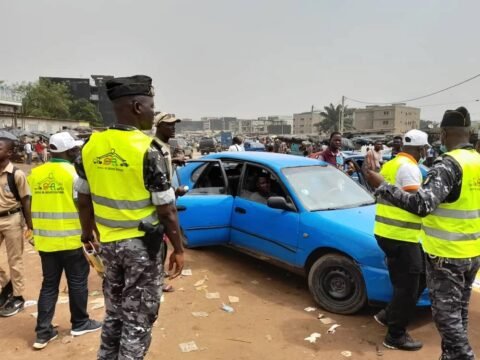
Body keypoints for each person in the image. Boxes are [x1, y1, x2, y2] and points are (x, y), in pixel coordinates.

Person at [75, 75, 185, 360]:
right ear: (137, 106)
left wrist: (87, 233)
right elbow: (166, 210)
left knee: (115, 312)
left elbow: (83, 199)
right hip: (141, 247)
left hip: (108, 245)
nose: (152, 112)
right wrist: (179, 249)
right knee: (138, 319)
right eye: (151, 106)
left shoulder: (91, 145)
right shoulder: (147, 150)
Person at [365, 106, 480, 360]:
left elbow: (422, 205)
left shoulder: (448, 165)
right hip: (472, 252)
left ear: (444, 132)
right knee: (459, 311)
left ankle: (462, 356)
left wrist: (384, 186)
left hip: (446, 254)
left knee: (446, 317)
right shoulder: (477, 162)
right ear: (468, 132)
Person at [28, 132, 101, 349]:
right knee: (77, 282)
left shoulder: (36, 173)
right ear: (69, 151)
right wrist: (93, 235)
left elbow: (32, 205)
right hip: (71, 239)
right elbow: (84, 207)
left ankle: (43, 332)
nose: (77, 152)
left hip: (45, 242)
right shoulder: (74, 174)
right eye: (75, 149)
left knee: (49, 285)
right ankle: (80, 322)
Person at [372, 129, 429, 351]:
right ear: (420, 149)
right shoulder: (409, 169)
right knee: (407, 286)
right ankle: (395, 335)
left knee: (418, 277)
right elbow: (416, 204)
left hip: (389, 233)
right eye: (425, 149)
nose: (425, 152)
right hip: (402, 235)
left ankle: (388, 315)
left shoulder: (392, 164)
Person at [153, 112, 188, 293]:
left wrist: (174, 160)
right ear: (158, 126)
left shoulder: (164, 148)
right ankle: (156, 284)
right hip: (159, 208)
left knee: (160, 248)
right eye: (168, 125)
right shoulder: (154, 149)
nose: (173, 128)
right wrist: (179, 248)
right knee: (158, 249)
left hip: (162, 202)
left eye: (175, 124)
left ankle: (156, 281)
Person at [0, 137, 33, 317]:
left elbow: (26, 201)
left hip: (12, 219)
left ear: (9, 153)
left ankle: (18, 296)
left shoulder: (16, 174)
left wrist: (30, 225)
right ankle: (6, 285)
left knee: (15, 260)